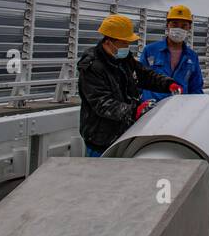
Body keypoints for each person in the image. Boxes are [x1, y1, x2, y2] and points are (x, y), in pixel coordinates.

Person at [77, 14, 182, 157]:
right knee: (102, 176)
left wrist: (168, 84)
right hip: (101, 139)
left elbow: (144, 75)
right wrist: (133, 111)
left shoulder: (123, 59)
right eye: (124, 43)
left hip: (125, 133)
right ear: (108, 42)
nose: (127, 47)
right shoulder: (92, 67)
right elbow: (102, 103)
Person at [140, 4, 205, 103]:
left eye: (184, 26)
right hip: (152, 110)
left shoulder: (192, 56)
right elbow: (139, 80)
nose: (179, 29)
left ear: (189, 28)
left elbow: (196, 87)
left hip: (178, 110)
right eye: (175, 24)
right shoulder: (149, 51)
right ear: (167, 25)